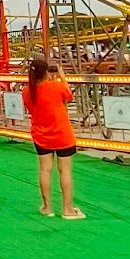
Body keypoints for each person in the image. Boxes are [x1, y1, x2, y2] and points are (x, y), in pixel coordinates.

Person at [24, 58, 83, 219]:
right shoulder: (56, 86)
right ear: (47, 72)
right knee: (65, 171)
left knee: (45, 170)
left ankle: (47, 207)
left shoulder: (27, 91)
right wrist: (61, 74)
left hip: (41, 134)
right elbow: (68, 95)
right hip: (62, 134)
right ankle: (67, 209)